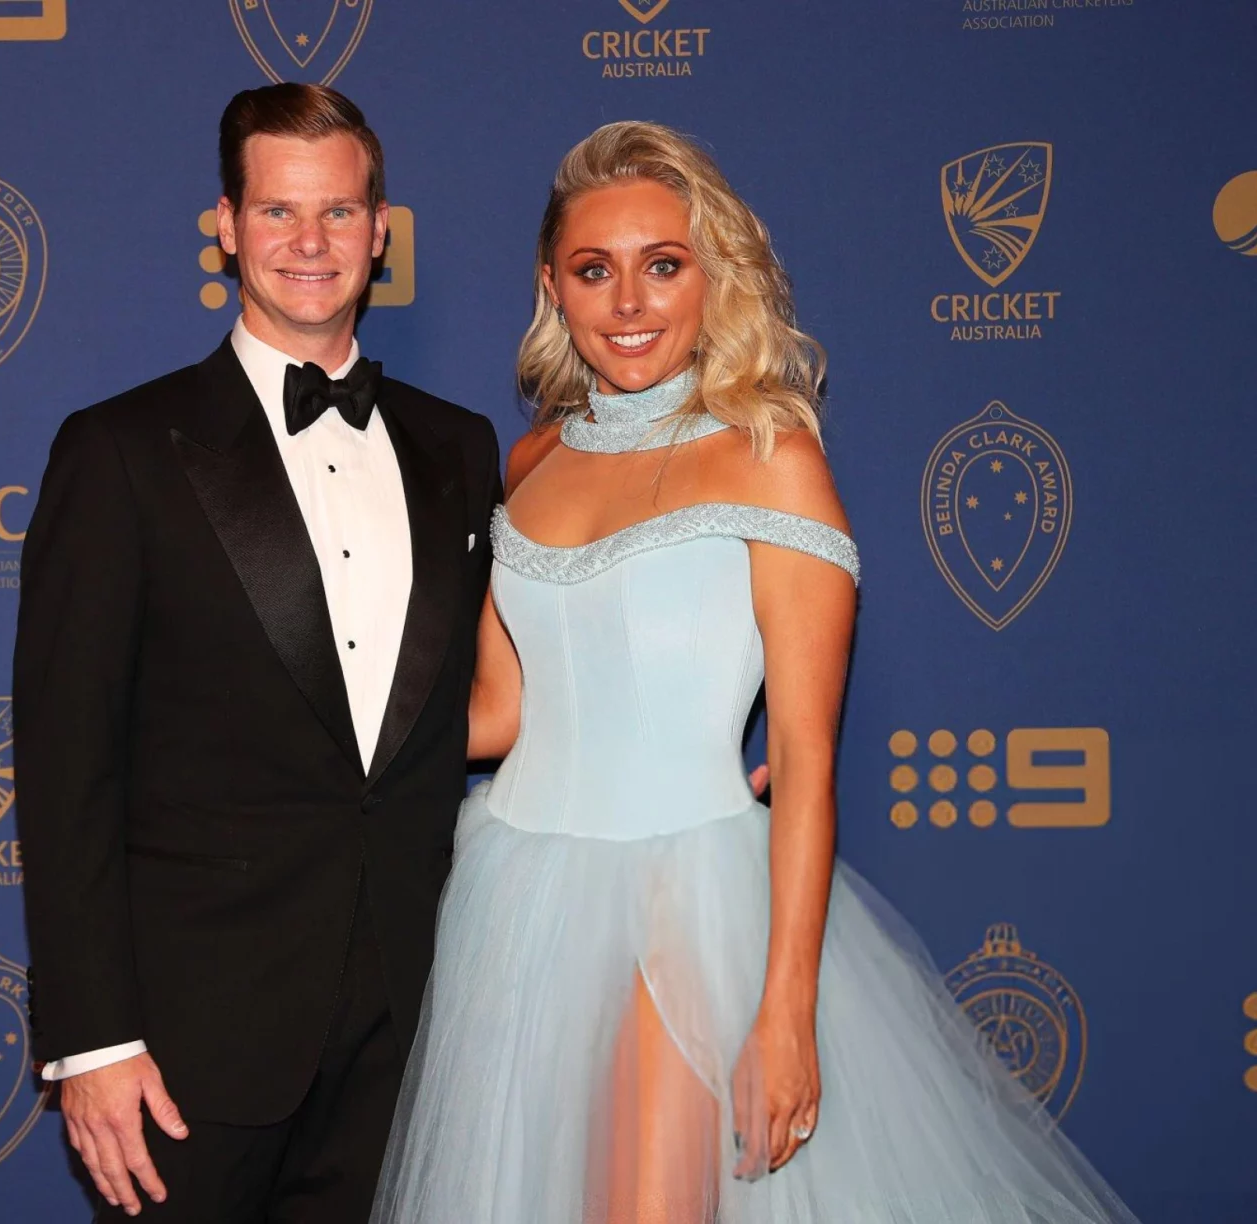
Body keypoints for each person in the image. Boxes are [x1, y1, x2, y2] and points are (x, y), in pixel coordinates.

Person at [372, 122, 1141, 1224]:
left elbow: (805, 763)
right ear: (553, 287)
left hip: (686, 907)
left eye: (663, 266)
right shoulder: (533, 459)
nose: (629, 303)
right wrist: (315, 744)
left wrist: (786, 1012)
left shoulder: (774, 456)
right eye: (596, 271)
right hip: (514, 904)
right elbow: (498, 710)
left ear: (711, 275)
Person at [11, 83, 500, 1221]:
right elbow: (67, 763)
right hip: (189, 1051)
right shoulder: (122, 451)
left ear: (382, 229)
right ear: (226, 225)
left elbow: (486, 704)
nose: (311, 243)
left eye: (339, 212)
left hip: (407, 1030)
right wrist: (92, 1042)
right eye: (279, 212)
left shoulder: (458, 447)